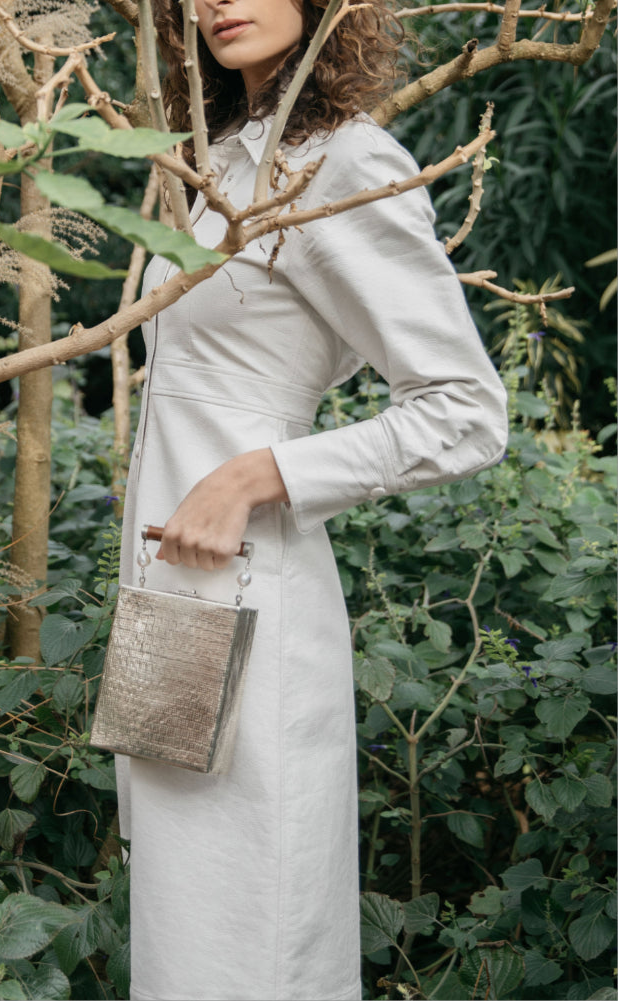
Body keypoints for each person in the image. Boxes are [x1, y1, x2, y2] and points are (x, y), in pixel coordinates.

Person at [113, 1, 509, 998]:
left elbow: (464, 411)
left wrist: (259, 473)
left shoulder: (343, 164)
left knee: (253, 942)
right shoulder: (221, 168)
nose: (216, 0)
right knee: (179, 940)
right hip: (169, 610)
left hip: (252, 606)